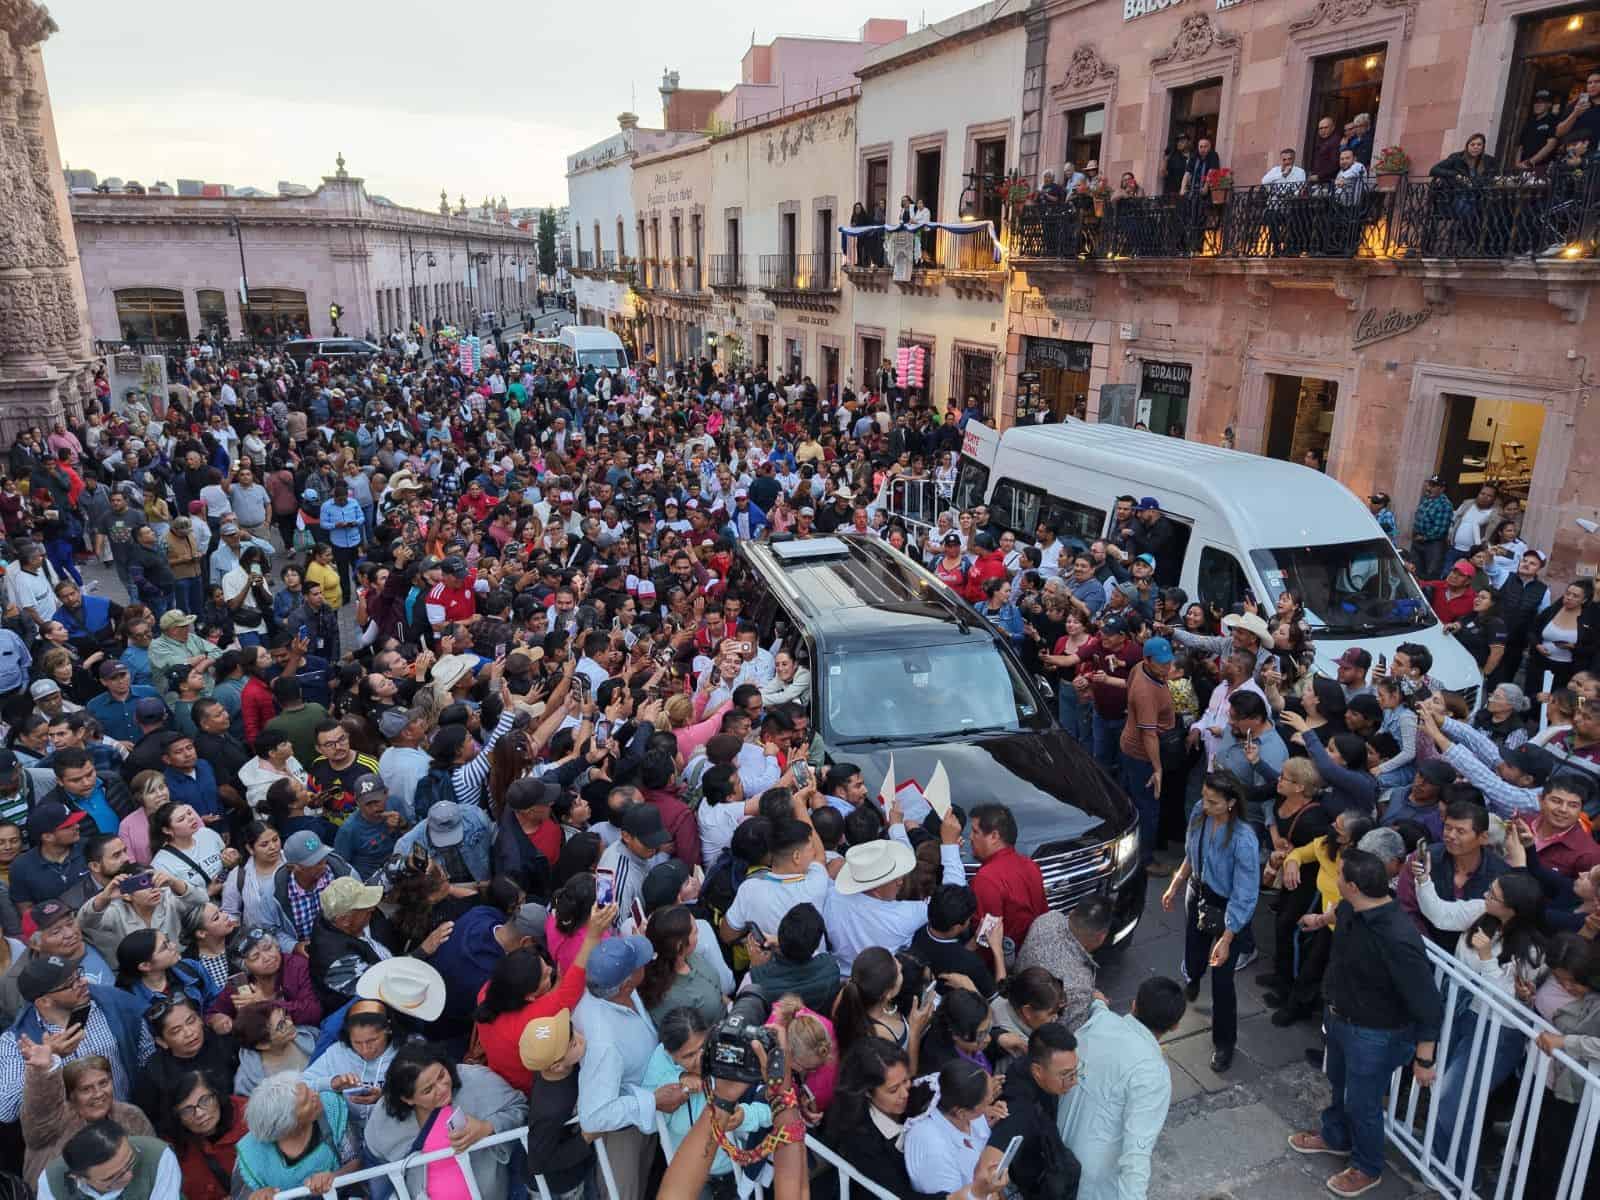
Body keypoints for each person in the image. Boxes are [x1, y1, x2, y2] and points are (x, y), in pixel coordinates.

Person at [1288, 850, 1443, 1198]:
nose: (1335, 877)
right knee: (1338, 1082)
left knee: (1364, 1103)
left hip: (1376, 1035)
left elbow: (1428, 1001)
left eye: (1339, 874)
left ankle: (1368, 1167)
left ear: (1353, 886)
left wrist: (1425, 1056)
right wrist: (1319, 919)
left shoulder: (1399, 938)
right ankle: (1334, 1137)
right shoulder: (1350, 909)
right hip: (1342, 1019)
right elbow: (1336, 914)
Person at [1160, 773, 1259, 1072]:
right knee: (1193, 955)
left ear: (1231, 803)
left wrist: (1228, 939)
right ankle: (1192, 978)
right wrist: (1176, 884)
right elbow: (1192, 855)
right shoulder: (1198, 815)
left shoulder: (1243, 839)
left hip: (1226, 909)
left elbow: (1245, 894)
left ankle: (1224, 1042)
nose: (1205, 804)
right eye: (1204, 797)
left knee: (1222, 981)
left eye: (1213, 801)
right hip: (1197, 894)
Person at [1056, 977, 1187, 1200]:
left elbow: (1099, 1010)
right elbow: (1137, 1153)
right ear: (1175, 1026)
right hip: (1089, 1183)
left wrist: (1098, 1001)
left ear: (1134, 1004)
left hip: (1055, 1149)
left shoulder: (1100, 1023)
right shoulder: (1153, 1073)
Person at [365, 1041, 529, 1200]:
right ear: (408, 1099)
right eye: (428, 1090)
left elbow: (520, 1107)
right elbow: (374, 1159)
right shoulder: (384, 1115)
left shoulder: (476, 1079)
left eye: (441, 1075)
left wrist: (487, 1127)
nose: (442, 1088)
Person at [19, 1044, 156, 1187]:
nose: (98, 1094)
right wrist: (43, 1072)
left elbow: (151, 1162)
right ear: (71, 1095)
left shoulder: (131, 1115)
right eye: (86, 1089)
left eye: (103, 1083)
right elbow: (40, 1109)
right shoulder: (53, 1122)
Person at [232, 1073, 362, 1199]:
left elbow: (355, 1160)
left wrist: (334, 1176)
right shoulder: (250, 1154)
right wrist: (257, 1196)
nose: (316, 1094)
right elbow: (241, 1195)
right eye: (306, 1102)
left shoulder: (331, 1108)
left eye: (309, 1089)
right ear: (287, 1125)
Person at [36, 1118, 182, 1200]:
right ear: (78, 1178)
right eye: (114, 1177)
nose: (129, 1175)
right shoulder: (50, 1180)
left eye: (130, 1162)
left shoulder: (158, 1155)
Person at [968, 801, 1047, 949]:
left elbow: (985, 940)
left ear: (994, 836)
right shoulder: (1031, 866)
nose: (970, 837)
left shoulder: (985, 879)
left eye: (975, 831)